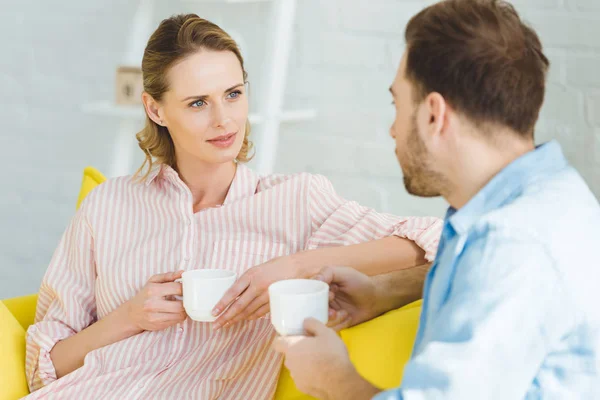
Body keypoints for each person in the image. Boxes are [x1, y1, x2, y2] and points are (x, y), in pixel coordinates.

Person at [24, 14, 442, 399]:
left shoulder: (294, 202)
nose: (224, 120)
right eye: (198, 103)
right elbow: (46, 367)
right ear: (156, 109)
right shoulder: (108, 206)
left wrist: (298, 265)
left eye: (233, 94)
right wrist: (129, 317)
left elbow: (440, 241)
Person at [274, 0, 600, 399]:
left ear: (433, 115)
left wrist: (334, 380)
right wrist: (384, 291)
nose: (393, 130)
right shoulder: (548, 197)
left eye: (398, 104)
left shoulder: (513, 244)